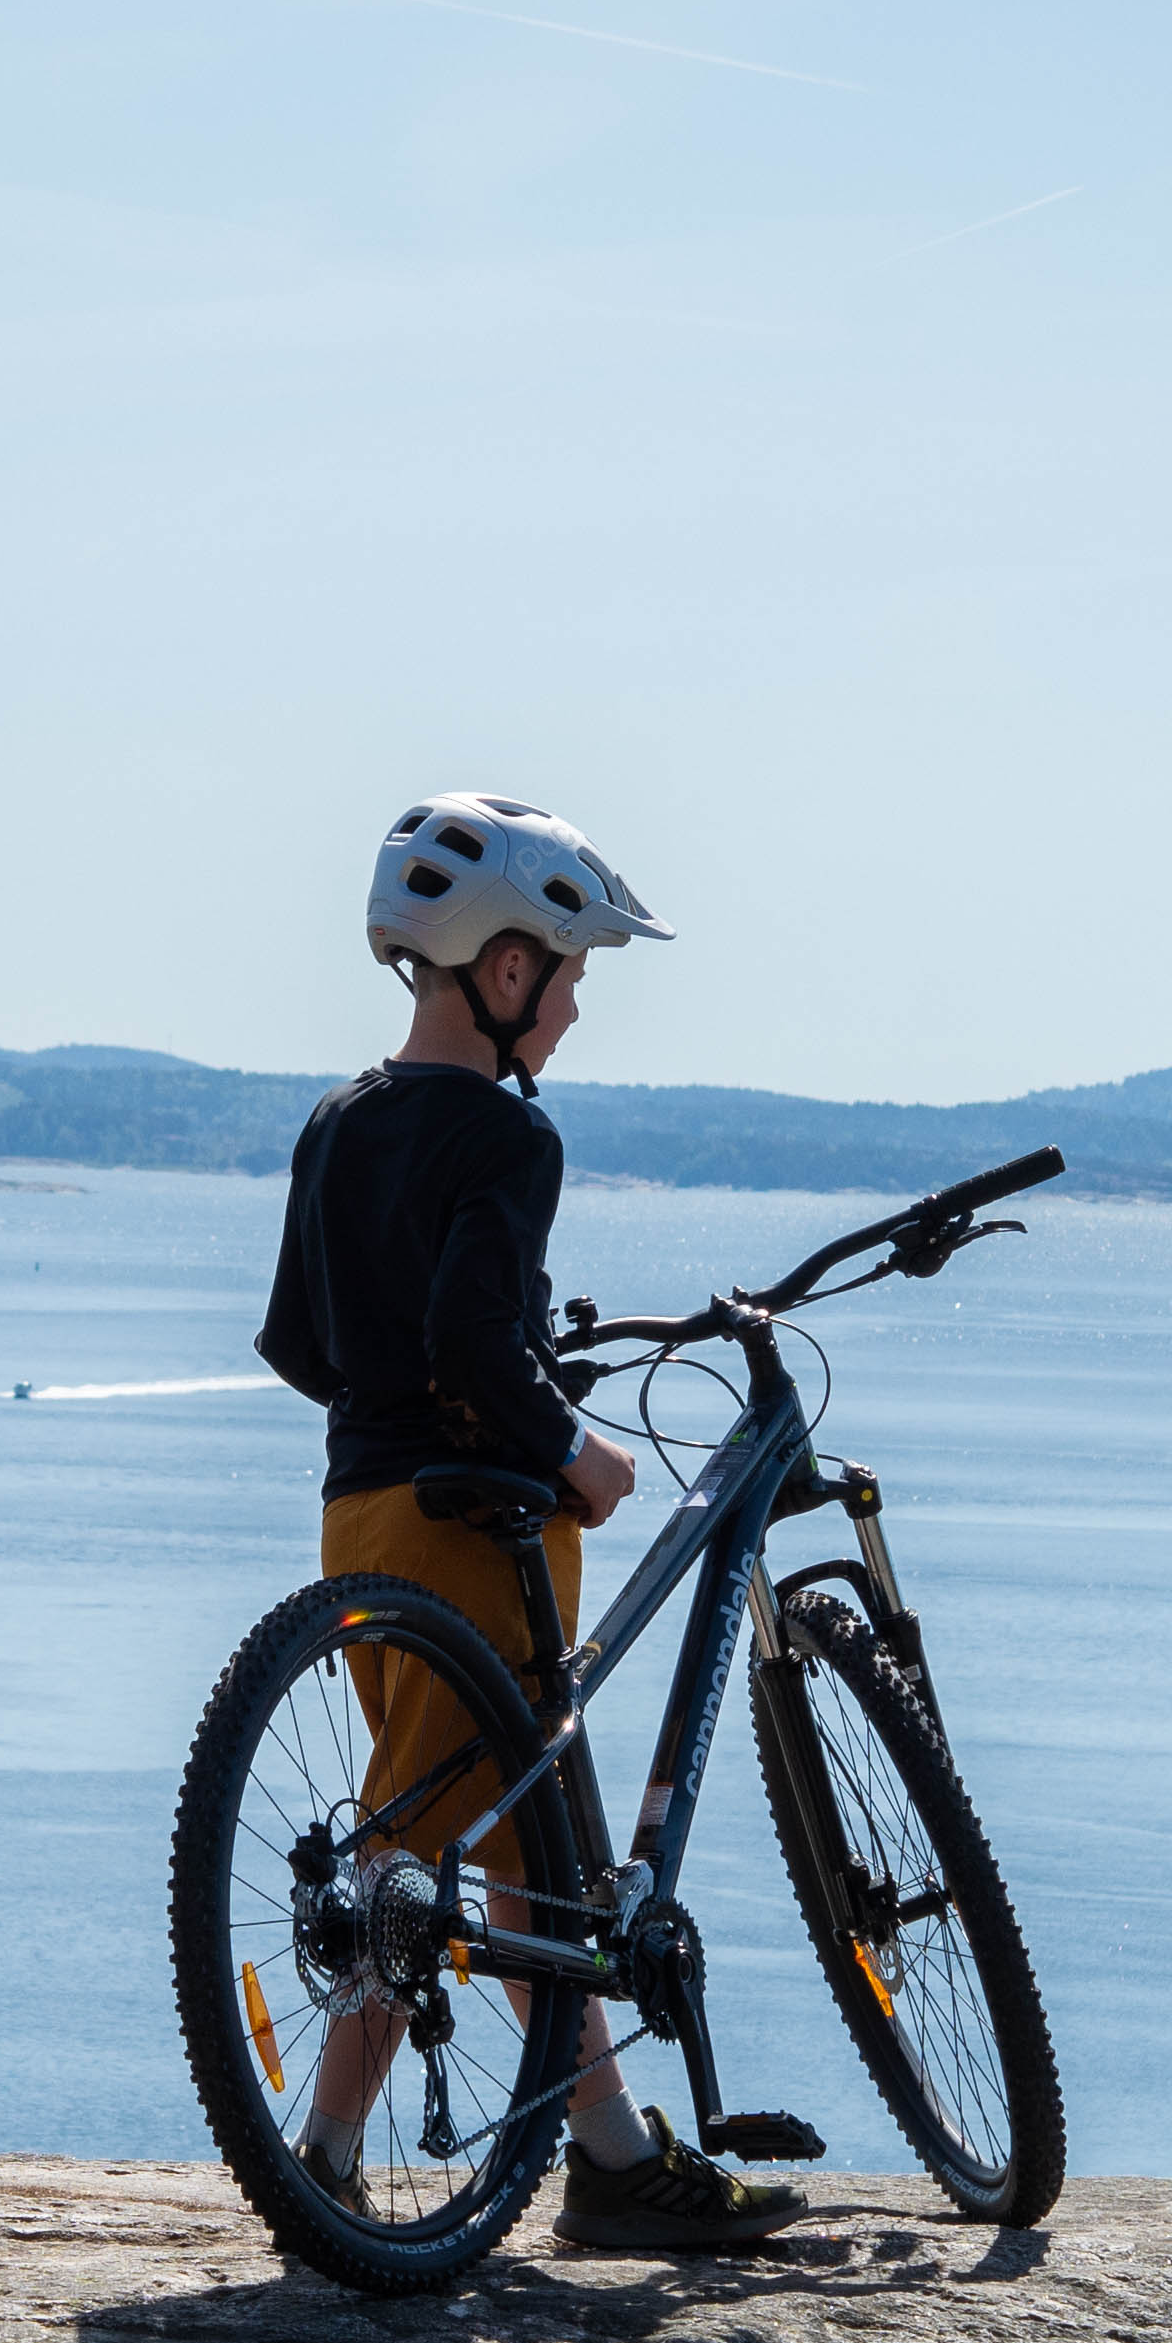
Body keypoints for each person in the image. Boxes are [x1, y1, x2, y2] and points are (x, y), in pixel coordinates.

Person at [251, 792, 804, 2256]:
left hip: (358, 1511)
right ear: (504, 973)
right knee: (427, 1841)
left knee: (517, 1832)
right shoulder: (507, 1138)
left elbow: (300, 1343)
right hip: (474, 1521)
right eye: (568, 980)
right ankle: (326, 2152)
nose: (570, 1012)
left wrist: (416, 1391)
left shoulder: (338, 1119)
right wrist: (573, 1452)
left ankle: (611, 2150)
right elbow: (477, 1345)